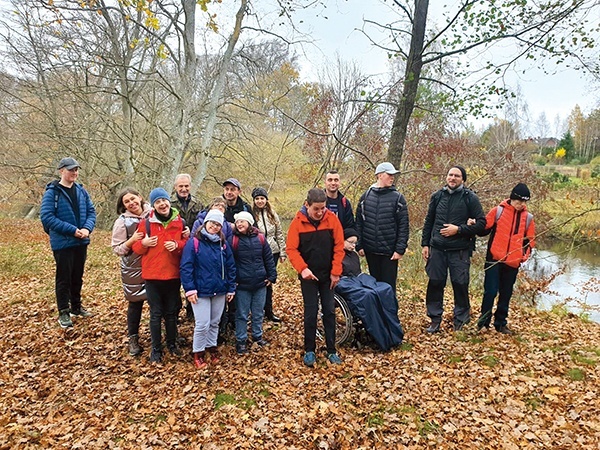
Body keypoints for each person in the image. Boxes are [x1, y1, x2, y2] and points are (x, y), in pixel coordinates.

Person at [421, 165, 486, 333]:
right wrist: (425, 244)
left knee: (460, 284)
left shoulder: (470, 198)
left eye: (457, 176)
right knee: (435, 283)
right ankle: (435, 320)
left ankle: (461, 321)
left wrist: (459, 229)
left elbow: (481, 224)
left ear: (462, 179)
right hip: (437, 249)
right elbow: (429, 222)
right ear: (446, 177)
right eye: (450, 175)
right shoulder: (437, 196)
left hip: (460, 250)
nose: (452, 178)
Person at [286, 188, 345, 367]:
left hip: (328, 275)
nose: (320, 212)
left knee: (329, 311)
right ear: (307, 205)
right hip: (308, 276)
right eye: (316, 209)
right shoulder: (297, 223)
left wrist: (336, 271)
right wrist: (302, 269)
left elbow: (339, 246)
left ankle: (331, 350)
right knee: (311, 312)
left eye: (323, 208)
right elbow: (291, 249)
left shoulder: (332, 220)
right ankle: (310, 349)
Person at [132, 187, 187, 363]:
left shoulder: (180, 222)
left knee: (171, 313)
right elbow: (136, 248)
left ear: (168, 201)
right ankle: (156, 349)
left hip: (172, 274)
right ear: (153, 205)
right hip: (152, 276)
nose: (162, 204)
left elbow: (187, 244)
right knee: (156, 314)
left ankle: (172, 344)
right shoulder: (146, 223)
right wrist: (144, 243)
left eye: (164, 200)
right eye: (158, 202)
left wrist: (178, 244)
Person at [40, 157, 96, 329]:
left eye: (76, 169)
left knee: (77, 276)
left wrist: (87, 229)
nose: (74, 172)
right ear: (61, 171)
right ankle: (64, 311)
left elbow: (91, 212)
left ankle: (76, 307)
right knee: (63, 278)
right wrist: (72, 230)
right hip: (63, 243)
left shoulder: (81, 191)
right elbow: (47, 217)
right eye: (71, 169)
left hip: (81, 242)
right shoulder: (52, 192)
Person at [476, 183, 536, 335]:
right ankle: (483, 323)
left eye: (524, 202)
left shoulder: (528, 218)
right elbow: (483, 229)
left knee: (506, 293)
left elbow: (529, 241)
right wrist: (474, 224)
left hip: (513, 263)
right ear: (512, 198)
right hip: (494, 259)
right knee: (490, 292)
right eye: (519, 201)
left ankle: (501, 323)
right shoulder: (498, 211)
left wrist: (524, 255)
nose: (521, 204)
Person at [180, 210, 236, 369]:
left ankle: (212, 347)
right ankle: (198, 352)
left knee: (214, 322)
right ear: (205, 223)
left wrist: (231, 288)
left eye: (218, 224)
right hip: (200, 290)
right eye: (212, 223)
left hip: (220, 289)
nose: (214, 226)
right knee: (202, 323)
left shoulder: (223, 244)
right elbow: (186, 267)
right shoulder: (194, 242)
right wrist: (190, 289)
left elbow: (231, 267)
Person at [335, 228, 404, 351]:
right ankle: (381, 336)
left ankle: (392, 334)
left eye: (355, 243)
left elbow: (358, 273)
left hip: (359, 279)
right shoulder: (334, 255)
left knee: (385, 289)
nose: (353, 245)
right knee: (368, 295)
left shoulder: (353, 256)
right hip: (344, 282)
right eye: (350, 242)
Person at [355, 162, 409, 293]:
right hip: (370, 251)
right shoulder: (366, 196)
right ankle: (375, 313)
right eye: (389, 174)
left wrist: (399, 249)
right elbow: (359, 223)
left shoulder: (398, 198)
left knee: (388, 288)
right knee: (373, 287)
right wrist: (359, 245)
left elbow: (404, 226)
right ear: (379, 175)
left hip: (389, 253)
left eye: (393, 175)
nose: (392, 178)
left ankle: (390, 313)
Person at [230, 211, 277, 354]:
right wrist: (233, 282)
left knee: (258, 313)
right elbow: (229, 263)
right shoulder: (233, 240)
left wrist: (271, 276)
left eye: (242, 222)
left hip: (260, 283)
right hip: (242, 284)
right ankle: (241, 340)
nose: (239, 224)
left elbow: (268, 258)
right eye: (237, 222)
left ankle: (257, 336)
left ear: (249, 223)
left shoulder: (260, 238)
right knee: (242, 314)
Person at [111, 188, 151, 356]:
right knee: (136, 303)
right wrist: (132, 240)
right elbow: (117, 249)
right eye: (127, 202)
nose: (131, 203)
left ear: (140, 197)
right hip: (133, 267)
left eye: (133, 199)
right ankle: (133, 338)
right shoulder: (122, 222)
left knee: (160, 302)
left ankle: (165, 335)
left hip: (155, 263)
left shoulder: (153, 213)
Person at [252, 186, 287, 322]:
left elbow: (279, 233)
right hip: (257, 251)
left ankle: (269, 311)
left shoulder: (272, 213)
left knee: (269, 281)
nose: (260, 201)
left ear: (266, 200)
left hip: (273, 251)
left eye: (262, 198)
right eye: (257, 199)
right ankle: (256, 311)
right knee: (258, 281)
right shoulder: (251, 214)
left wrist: (283, 252)